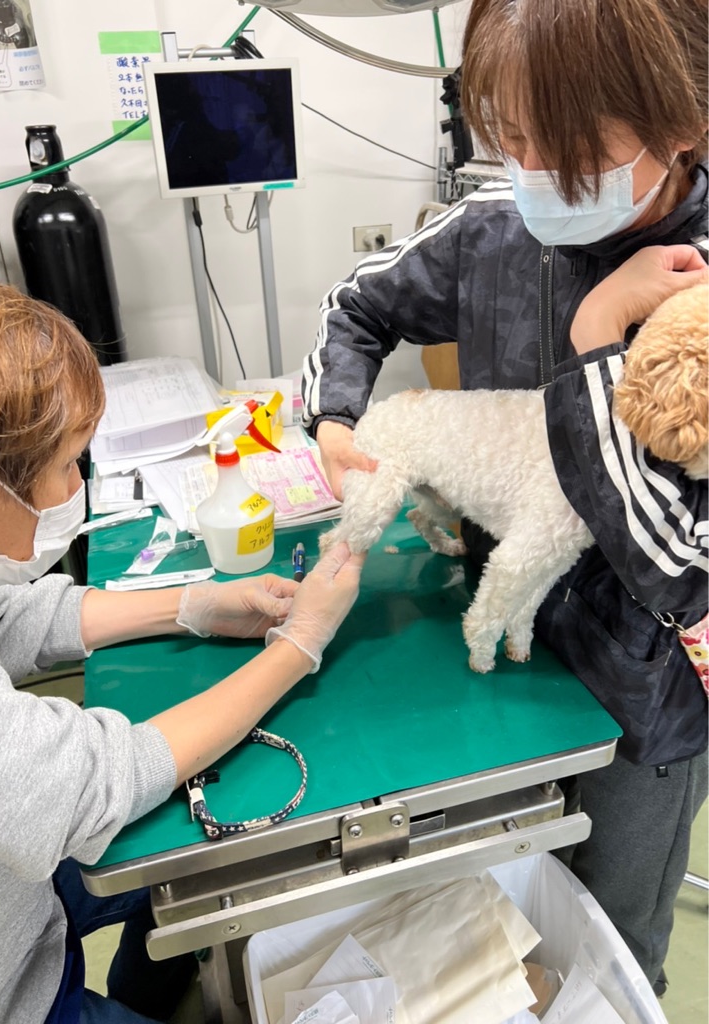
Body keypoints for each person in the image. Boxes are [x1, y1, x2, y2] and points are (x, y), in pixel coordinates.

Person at [302, 0, 708, 994]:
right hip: (491, 638)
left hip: (639, 699)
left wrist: (596, 337)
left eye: (563, 144)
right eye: (510, 135)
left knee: (609, 953)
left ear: (682, 124)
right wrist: (337, 420)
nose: (528, 171)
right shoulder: (493, 229)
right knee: (481, 917)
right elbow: (358, 304)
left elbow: (680, 562)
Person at [0, 270, 365, 1024]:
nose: (73, 487)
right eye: (66, 465)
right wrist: (298, 644)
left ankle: (146, 994)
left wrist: (193, 607)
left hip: (8, 893)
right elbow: (102, 776)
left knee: (191, 868)